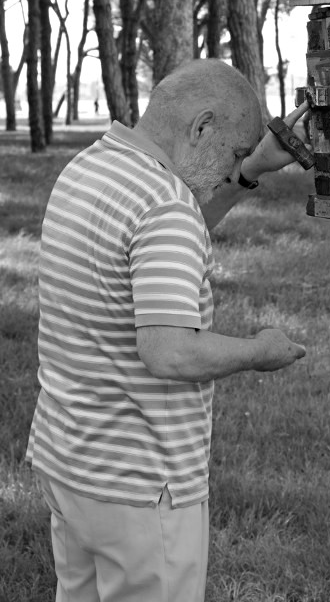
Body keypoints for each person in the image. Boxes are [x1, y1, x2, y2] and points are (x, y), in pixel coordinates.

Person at [26, 58, 307, 602]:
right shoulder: (164, 207)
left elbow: (164, 245)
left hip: (71, 462)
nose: (232, 167)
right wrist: (258, 351)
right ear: (202, 127)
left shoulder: (93, 167)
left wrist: (253, 171)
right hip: (139, 484)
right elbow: (170, 352)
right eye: (235, 153)